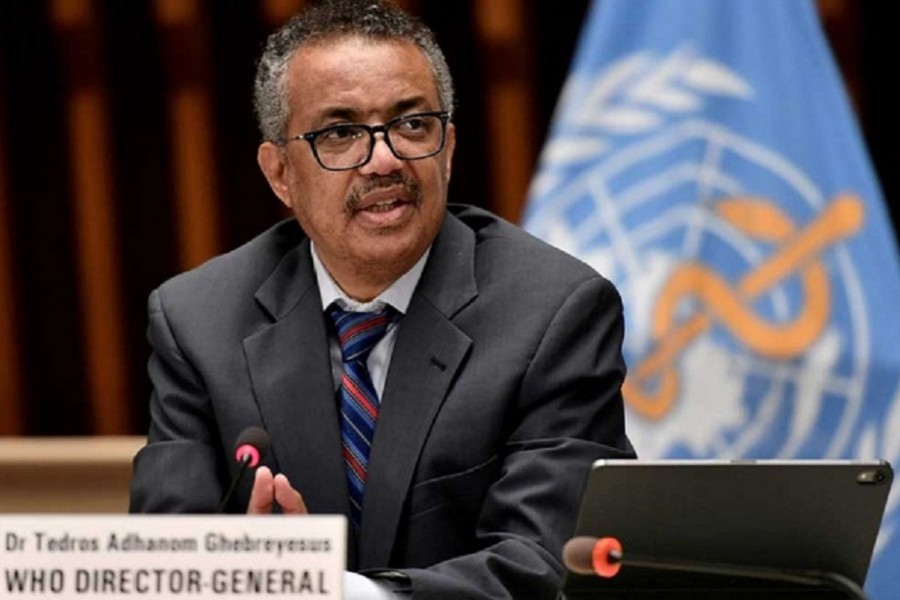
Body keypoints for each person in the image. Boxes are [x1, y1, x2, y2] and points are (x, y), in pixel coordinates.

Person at [129, 0, 635, 597]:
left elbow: (549, 563)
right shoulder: (197, 321)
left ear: (448, 147)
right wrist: (244, 570)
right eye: (340, 133)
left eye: (412, 124)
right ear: (280, 175)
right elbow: (166, 561)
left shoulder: (556, 311)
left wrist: (331, 591)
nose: (385, 159)